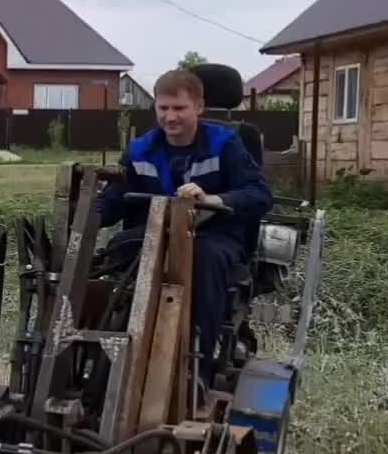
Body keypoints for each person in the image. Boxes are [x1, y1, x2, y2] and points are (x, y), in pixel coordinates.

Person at [98, 68, 274, 387]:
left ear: (199, 107)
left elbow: (259, 195)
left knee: (202, 259)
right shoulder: (140, 150)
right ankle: (107, 351)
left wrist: (212, 198)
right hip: (152, 235)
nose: (170, 117)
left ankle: (199, 365)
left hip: (214, 236)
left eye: (179, 108)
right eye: (163, 108)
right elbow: (114, 200)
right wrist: (82, 213)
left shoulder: (227, 144)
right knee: (116, 252)